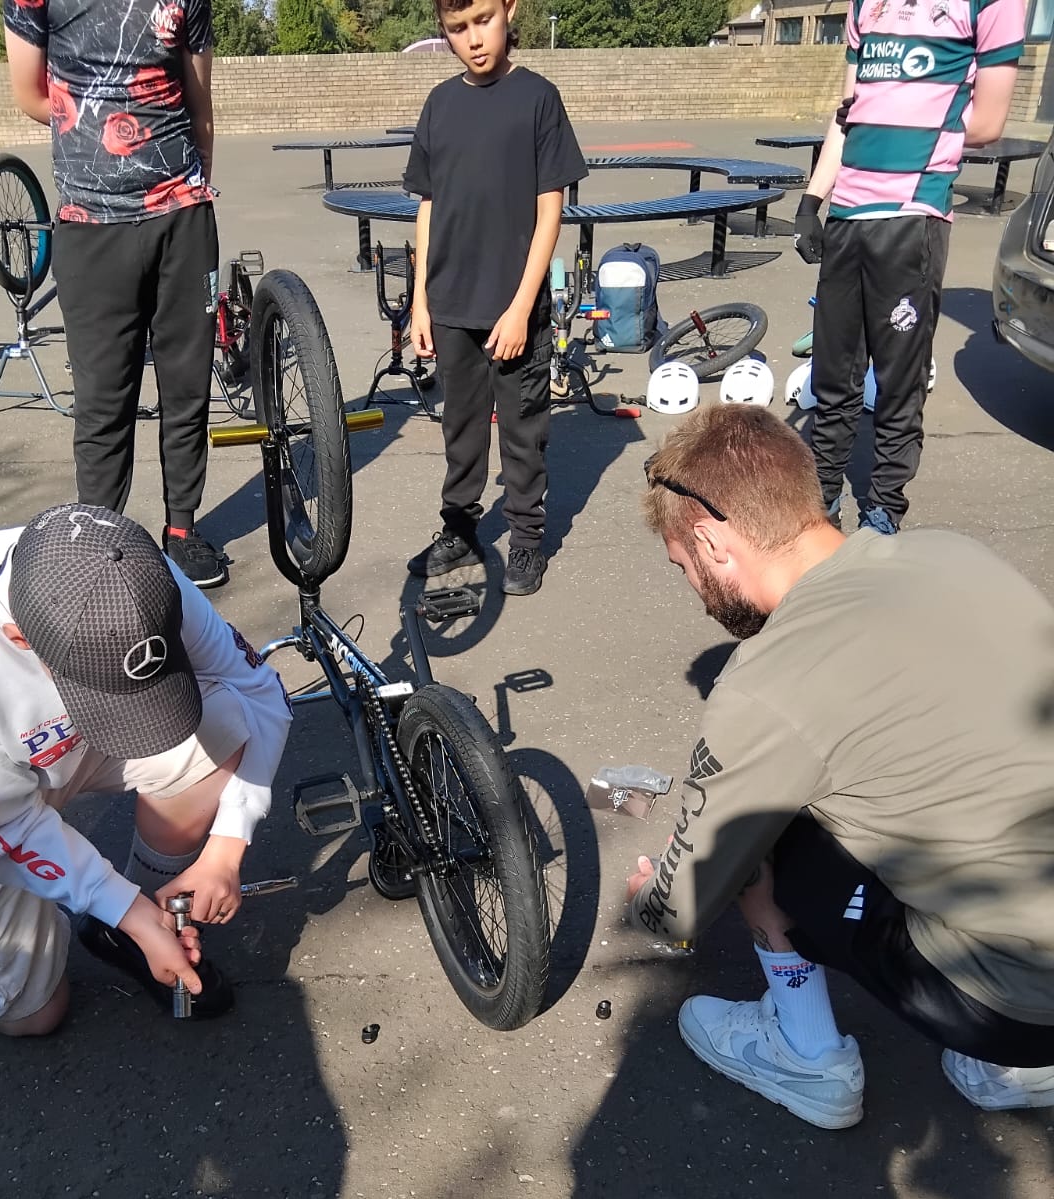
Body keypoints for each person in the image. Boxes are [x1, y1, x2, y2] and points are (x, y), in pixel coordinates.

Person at [627, 405, 1054, 1128]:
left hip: (1015, 1001)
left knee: (761, 842)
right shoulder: (952, 553)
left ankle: (808, 1057)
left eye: (684, 567)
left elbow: (678, 911)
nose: (696, 594)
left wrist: (651, 898)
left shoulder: (765, 682)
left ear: (711, 540)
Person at [0, 505, 293, 1034]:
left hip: (55, 744)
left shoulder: (132, 571)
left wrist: (226, 848)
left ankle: (133, 928)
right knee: (33, 1014)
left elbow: (259, 693)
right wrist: (123, 905)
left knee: (224, 723)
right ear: (20, 638)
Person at [4, 0, 228, 589]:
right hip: (89, 223)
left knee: (187, 387)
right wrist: (96, 131)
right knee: (104, 402)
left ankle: (182, 530)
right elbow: (31, 93)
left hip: (181, 213)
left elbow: (198, 100)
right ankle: (99, 539)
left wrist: (194, 187)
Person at [793, 0, 1024, 536]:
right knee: (834, 378)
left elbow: (987, 122)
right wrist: (812, 199)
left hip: (912, 214)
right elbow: (848, 112)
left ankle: (884, 510)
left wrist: (896, 114)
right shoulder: (865, 5)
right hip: (848, 212)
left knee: (898, 380)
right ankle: (821, 502)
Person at [402, 0, 587, 598]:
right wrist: (421, 304)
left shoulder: (538, 98)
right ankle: (459, 529)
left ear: (509, 10)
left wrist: (519, 306)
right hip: (451, 300)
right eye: (458, 29)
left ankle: (528, 540)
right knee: (460, 426)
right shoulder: (440, 105)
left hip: (515, 306)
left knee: (522, 429)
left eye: (483, 20)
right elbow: (427, 207)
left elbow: (550, 208)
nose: (474, 39)